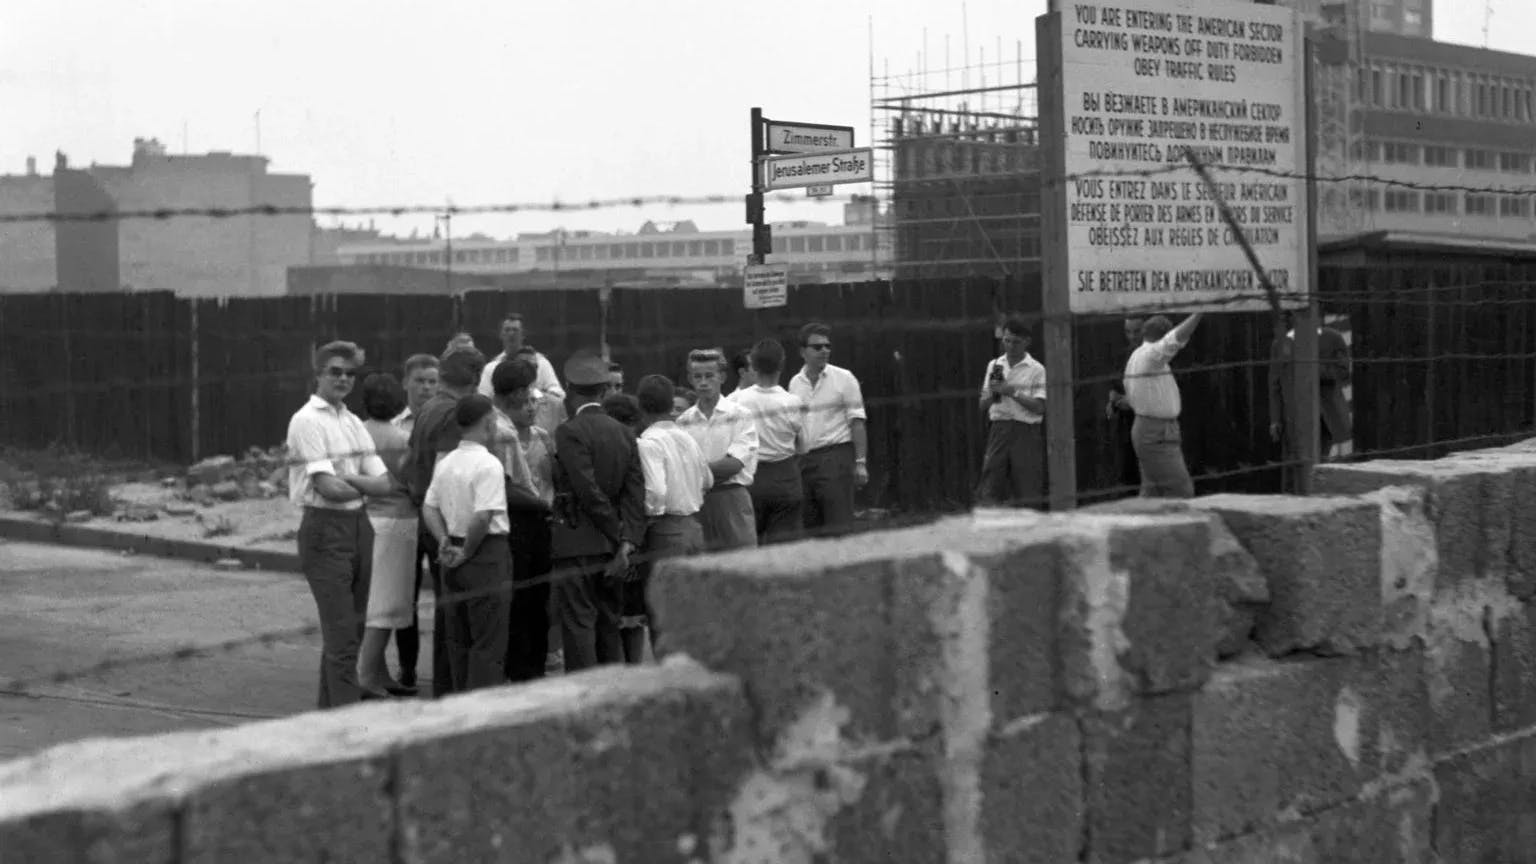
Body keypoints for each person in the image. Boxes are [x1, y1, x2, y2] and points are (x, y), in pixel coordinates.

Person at [284, 340, 393, 707]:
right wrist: (363, 485)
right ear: (318, 374)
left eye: (350, 373)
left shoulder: (351, 422)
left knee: (352, 633)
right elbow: (328, 488)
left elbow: (386, 482)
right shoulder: (306, 420)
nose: (343, 379)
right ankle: (348, 725)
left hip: (360, 527)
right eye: (335, 371)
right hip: (324, 529)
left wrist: (356, 484)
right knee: (342, 637)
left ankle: (327, 718)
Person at [549, 350, 647, 671]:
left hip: (576, 542)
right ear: (604, 391)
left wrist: (617, 534)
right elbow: (635, 492)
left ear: (567, 388)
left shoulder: (569, 431)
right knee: (609, 622)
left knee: (579, 624)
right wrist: (626, 541)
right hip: (614, 549)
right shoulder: (624, 432)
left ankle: (584, 697)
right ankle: (612, 691)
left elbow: (587, 491)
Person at [402, 347, 486, 697]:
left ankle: (444, 683)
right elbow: (445, 473)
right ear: (475, 378)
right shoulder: (453, 413)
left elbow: (408, 464)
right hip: (444, 522)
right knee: (452, 611)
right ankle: (448, 687)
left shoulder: (427, 410)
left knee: (444, 605)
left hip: (422, 513)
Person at [421, 394, 512, 692]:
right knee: (488, 642)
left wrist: (444, 539)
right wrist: (467, 551)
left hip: (452, 552)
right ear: (488, 423)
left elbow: (429, 507)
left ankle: (461, 703)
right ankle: (482, 712)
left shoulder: (446, 462)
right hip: (485, 553)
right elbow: (483, 516)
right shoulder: (489, 464)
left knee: (458, 641)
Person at [629, 374, 711, 662]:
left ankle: (670, 674)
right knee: (693, 610)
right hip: (694, 526)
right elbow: (708, 479)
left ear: (641, 406)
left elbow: (656, 491)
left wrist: (646, 519)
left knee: (664, 612)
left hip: (665, 530)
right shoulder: (686, 437)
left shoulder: (648, 442)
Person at [489, 357, 556, 683]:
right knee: (524, 601)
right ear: (514, 394)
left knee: (533, 600)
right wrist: (543, 506)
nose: (532, 403)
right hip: (521, 520)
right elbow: (507, 486)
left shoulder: (541, 436)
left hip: (537, 520)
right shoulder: (502, 433)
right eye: (526, 394)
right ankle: (524, 669)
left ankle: (530, 665)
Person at [357, 373, 418, 696]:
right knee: (388, 600)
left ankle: (378, 672)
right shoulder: (400, 439)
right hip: (397, 520)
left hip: (368, 517)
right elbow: (412, 482)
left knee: (374, 597)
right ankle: (366, 675)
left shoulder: (358, 432)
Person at [789, 322, 868, 534]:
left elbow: (857, 422)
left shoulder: (844, 378)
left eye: (827, 346)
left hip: (836, 456)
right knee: (810, 525)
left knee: (838, 524)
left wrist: (860, 463)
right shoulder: (795, 383)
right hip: (805, 460)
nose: (824, 351)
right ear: (802, 351)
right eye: (817, 347)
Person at [678, 348, 760, 551]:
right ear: (690, 379)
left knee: (743, 563)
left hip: (732, 499)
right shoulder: (683, 422)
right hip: (697, 503)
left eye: (709, 376)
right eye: (697, 376)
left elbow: (734, 464)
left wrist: (695, 471)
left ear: (722, 377)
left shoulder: (740, 415)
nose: (703, 382)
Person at [390, 353, 439, 689]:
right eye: (420, 380)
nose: (426, 388)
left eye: (433, 381)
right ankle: (407, 670)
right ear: (406, 382)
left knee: (446, 596)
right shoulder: (394, 428)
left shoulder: (446, 423)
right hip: (404, 518)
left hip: (438, 521)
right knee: (403, 599)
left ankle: (443, 671)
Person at [731, 339, 807, 543]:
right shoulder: (793, 402)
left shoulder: (735, 401)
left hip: (749, 476)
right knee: (784, 548)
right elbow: (803, 446)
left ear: (753, 366)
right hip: (785, 477)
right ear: (782, 364)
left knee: (748, 544)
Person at [1123, 313, 1203, 499]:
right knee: (1181, 490)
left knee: (1152, 492)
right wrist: (1200, 312)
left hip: (1150, 429)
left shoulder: (1138, 357)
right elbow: (1174, 340)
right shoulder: (1151, 356)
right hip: (1155, 433)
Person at [976, 317, 1047, 509]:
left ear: (1026, 342)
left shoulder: (1037, 369)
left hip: (1026, 431)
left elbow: (1040, 407)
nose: (1010, 346)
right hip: (999, 429)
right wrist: (994, 392)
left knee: (1028, 487)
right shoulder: (996, 365)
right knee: (991, 483)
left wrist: (1012, 391)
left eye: (1016, 342)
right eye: (1007, 341)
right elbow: (983, 404)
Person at [1269, 312, 1353, 466]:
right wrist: (1275, 419)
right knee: (1299, 470)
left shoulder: (1332, 338)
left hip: (1329, 416)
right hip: (1295, 418)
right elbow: (1275, 384)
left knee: (1331, 470)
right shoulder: (1280, 344)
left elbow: (1343, 372)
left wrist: (1314, 369)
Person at [478, 313, 565, 408]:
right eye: (507, 330)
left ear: (523, 334)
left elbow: (559, 394)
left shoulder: (540, 363)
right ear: (501, 334)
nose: (511, 333)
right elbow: (483, 398)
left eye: (515, 330)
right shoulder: (491, 367)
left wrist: (534, 394)